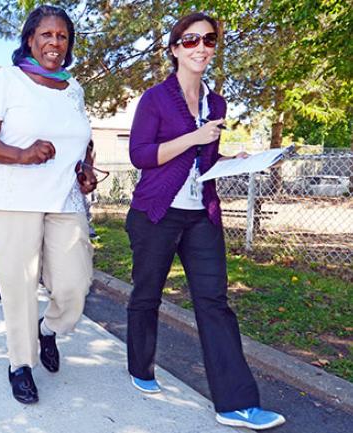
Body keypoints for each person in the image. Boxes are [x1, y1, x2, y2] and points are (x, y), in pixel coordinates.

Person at [125, 13, 285, 430]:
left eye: (209, 40)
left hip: (201, 215)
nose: (201, 47)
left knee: (215, 303)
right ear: (175, 48)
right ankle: (141, 367)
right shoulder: (155, 98)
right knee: (147, 295)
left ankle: (235, 403)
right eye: (191, 40)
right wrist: (193, 138)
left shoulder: (217, 103)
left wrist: (232, 161)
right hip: (155, 213)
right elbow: (140, 155)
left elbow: (204, 161)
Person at [0, 5, 97, 404]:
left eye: (62, 37)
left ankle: (49, 329)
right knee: (19, 286)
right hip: (13, 199)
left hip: (65, 197)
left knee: (75, 285)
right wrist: (23, 155)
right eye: (47, 35)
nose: (55, 43)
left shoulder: (74, 88)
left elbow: (81, 139)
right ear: (30, 39)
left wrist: (86, 169)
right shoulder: (5, 81)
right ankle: (20, 364)